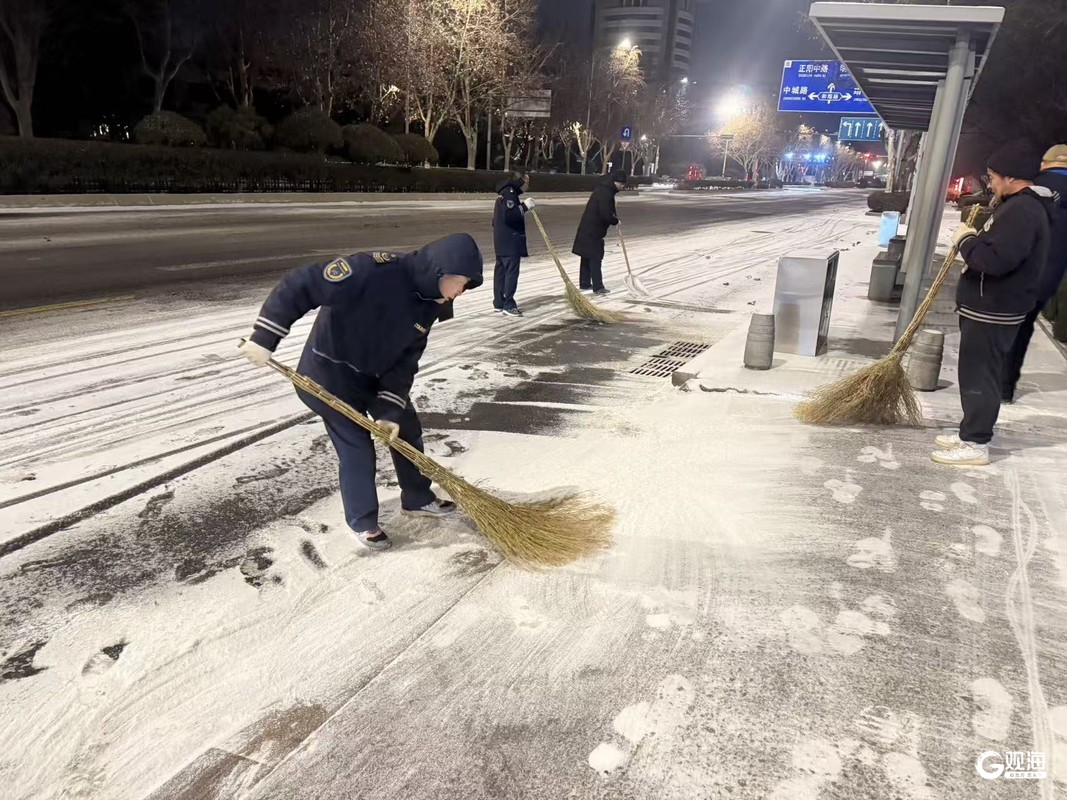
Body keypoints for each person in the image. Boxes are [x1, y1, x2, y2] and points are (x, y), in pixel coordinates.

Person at [239, 234, 484, 550]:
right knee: (356, 444)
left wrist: (389, 411)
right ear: (441, 270)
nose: (461, 291)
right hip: (327, 375)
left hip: (373, 378)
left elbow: (405, 363)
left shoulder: (430, 304)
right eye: (461, 283)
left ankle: (417, 497)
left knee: (406, 428)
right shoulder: (374, 270)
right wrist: (265, 337)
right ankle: (363, 521)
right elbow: (302, 284)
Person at [934, 140, 1055, 467]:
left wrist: (966, 241)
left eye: (993, 176)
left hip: (994, 308)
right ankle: (969, 431)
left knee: (980, 376)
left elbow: (995, 260)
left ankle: (975, 442)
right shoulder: (1016, 206)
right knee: (976, 373)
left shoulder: (1022, 211)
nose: (990, 183)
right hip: (991, 306)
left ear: (1011, 178)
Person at [1001, 144, 1067, 403]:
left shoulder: (1031, 188)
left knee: (1004, 326)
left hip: (1020, 270)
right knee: (1024, 326)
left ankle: (996, 384)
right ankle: (1006, 386)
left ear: (1045, 164)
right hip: (1051, 276)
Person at [573, 170, 627, 295]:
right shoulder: (606, 192)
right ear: (616, 182)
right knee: (595, 257)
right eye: (622, 184)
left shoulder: (603, 189)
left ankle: (585, 283)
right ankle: (598, 287)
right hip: (593, 231)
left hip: (587, 228)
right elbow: (605, 213)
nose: (623, 187)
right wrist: (615, 221)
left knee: (586, 255)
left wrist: (613, 217)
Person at [492, 170, 535, 316]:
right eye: (526, 182)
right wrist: (524, 207)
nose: (527, 186)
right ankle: (509, 304)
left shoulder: (503, 193)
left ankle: (499, 302)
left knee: (501, 272)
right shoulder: (510, 194)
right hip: (510, 242)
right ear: (519, 181)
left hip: (501, 241)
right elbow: (510, 215)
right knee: (511, 273)